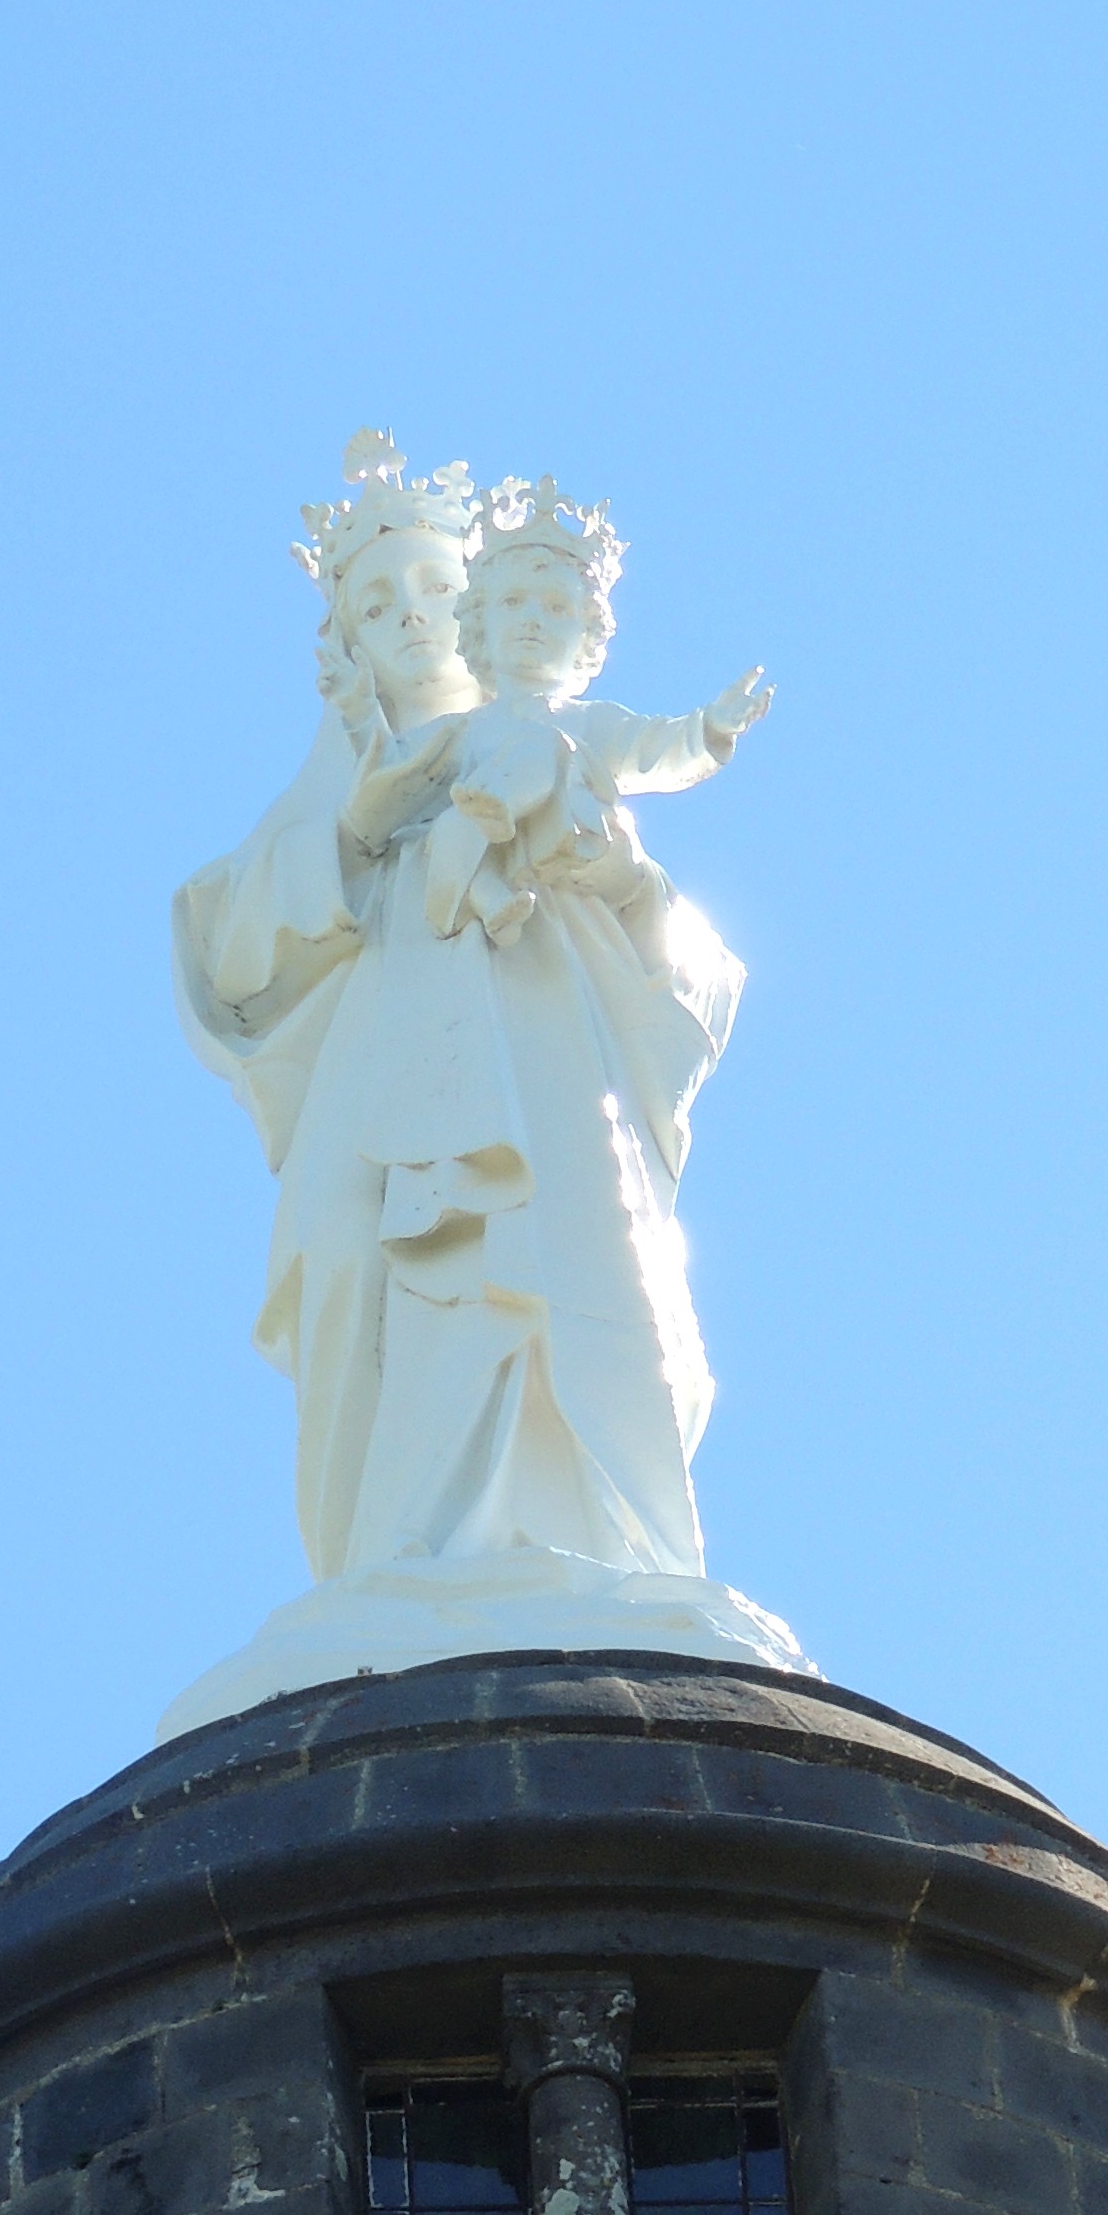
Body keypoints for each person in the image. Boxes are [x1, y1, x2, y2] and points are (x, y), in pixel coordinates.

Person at [173, 447, 773, 1609]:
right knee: (356, 1262)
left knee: (570, 1257)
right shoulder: (334, 794)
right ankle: (393, 1562)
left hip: (554, 1061)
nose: (409, 620)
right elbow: (228, 956)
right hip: (386, 1076)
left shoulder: (563, 750)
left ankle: (592, 1548)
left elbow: (699, 976)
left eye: (434, 594)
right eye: (375, 603)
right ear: (343, 635)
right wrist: (356, 833)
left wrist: (620, 880)